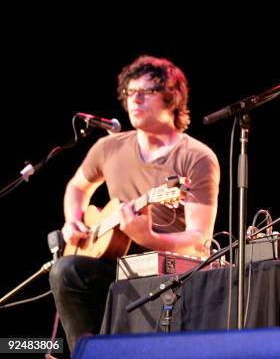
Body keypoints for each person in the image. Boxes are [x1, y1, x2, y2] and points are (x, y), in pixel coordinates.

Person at [49, 55, 220, 353]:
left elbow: (199, 240)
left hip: (167, 276)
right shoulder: (108, 146)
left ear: (171, 98)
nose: (135, 99)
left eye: (147, 92)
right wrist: (72, 220)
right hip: (114, 266)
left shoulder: (196, 157)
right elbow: (77, 186)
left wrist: (150, 238)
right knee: (66, 270)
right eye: (130, 92)